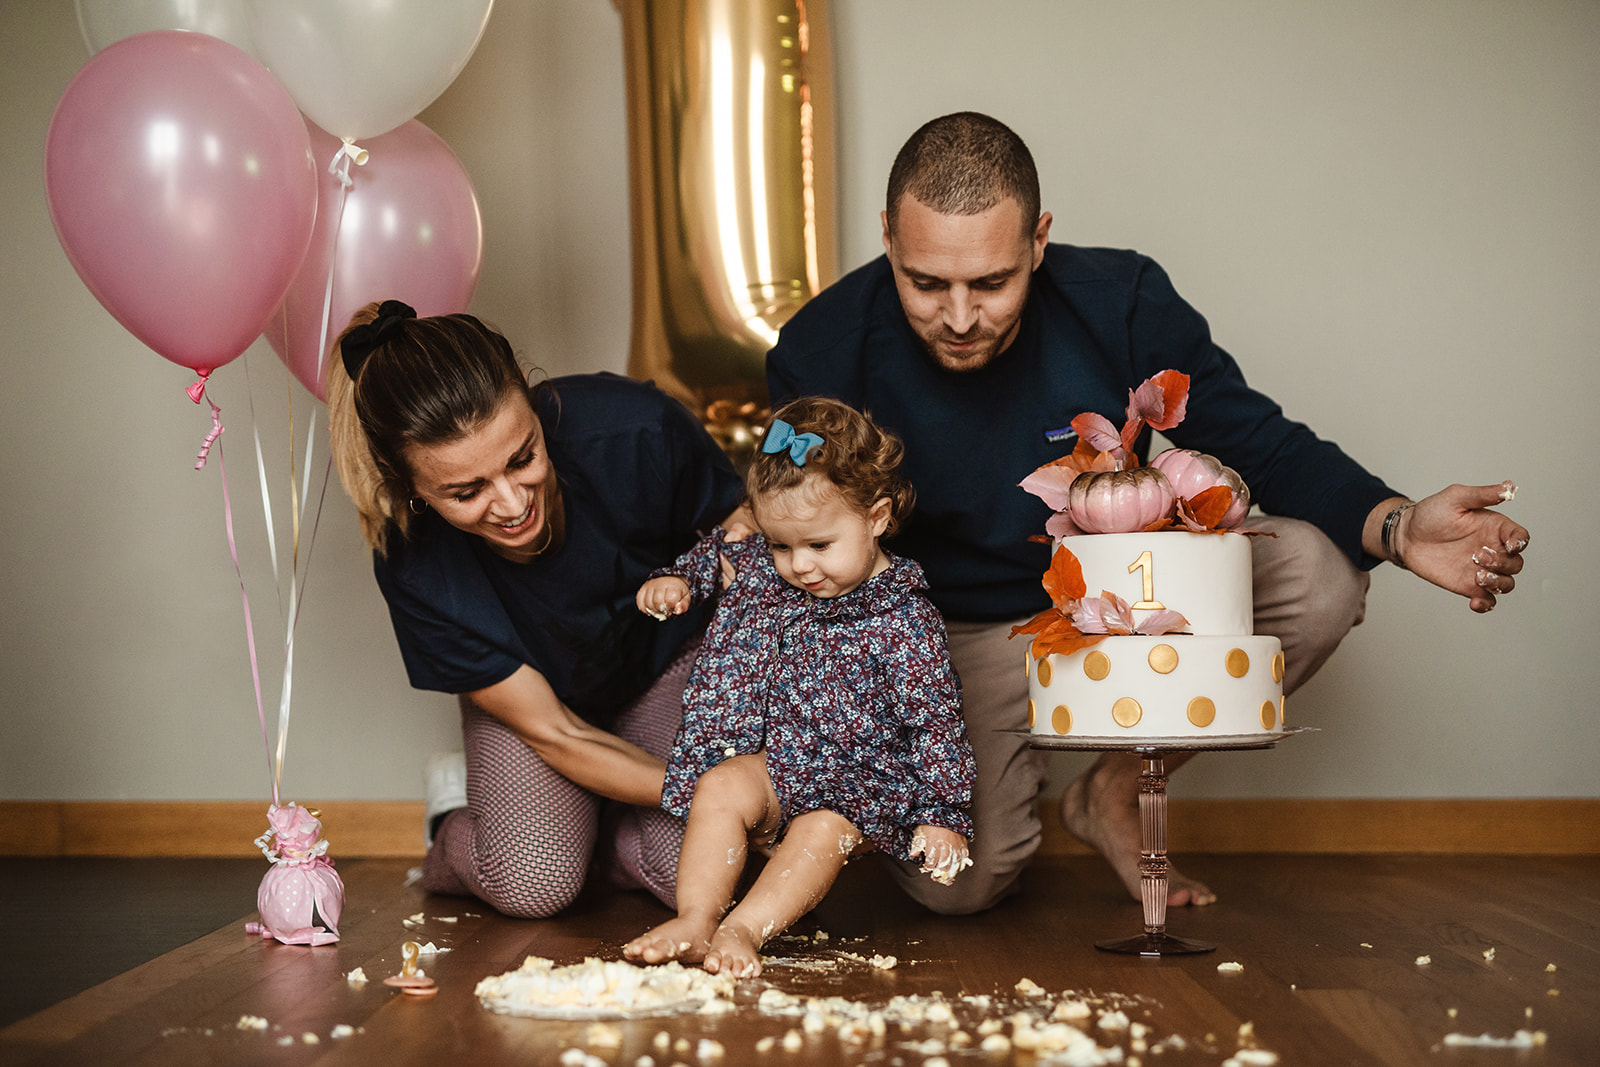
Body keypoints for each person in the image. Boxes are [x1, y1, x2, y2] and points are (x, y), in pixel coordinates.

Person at [766, 112, 1531, 916]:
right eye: (927, 282)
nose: (959, 317)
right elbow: (806, 558)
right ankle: (1004, 763)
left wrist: (1400, 527)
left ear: (1038, 242)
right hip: (943, 643)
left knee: (1320, 573)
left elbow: (1258, 442)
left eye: (992, 283)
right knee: (958, 886)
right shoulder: (820, 348)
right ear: (889, 238)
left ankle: (1112, 791)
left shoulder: (1121, 300)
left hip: (1114, 599)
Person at [326, 300, 746, 918]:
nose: (511, 504)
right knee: (535, 881)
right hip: (542, 712)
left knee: (708, 872)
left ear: (531, 400)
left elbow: (745, 522)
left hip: (663, 666)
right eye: (466, 492)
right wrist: (714, 792)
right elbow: (557, 732)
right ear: (406, 483)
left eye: (522, 458)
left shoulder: (634, 428)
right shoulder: (412, 563)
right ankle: (461, 820)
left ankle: (599, 829)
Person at [622, 397, 976, 977]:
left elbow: (935, 724)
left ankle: (743, 928)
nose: (798, 566)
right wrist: (676, 578)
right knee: (719, 787)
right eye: (781, 545)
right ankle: (697, 918)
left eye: (818, 546)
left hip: (853, 783)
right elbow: (720, 554)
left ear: (877, 518)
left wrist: (943, 814)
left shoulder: (905, 620)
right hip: (772, 762)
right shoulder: (764, 563)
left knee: (821, 831)